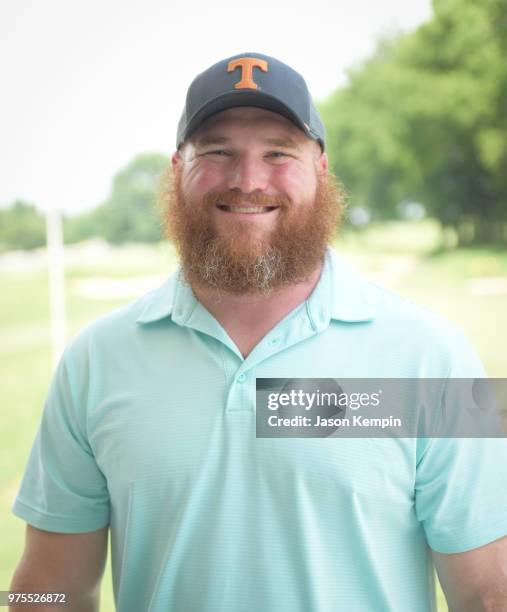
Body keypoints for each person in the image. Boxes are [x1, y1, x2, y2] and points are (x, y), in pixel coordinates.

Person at [10, 52, 507, 612]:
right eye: (218, 151)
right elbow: (47, 588)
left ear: (320, 170)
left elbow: (490, 594)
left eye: (278, 153)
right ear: (178, 168)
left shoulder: (437, 357)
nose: (248, 180)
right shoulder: (93, 362)